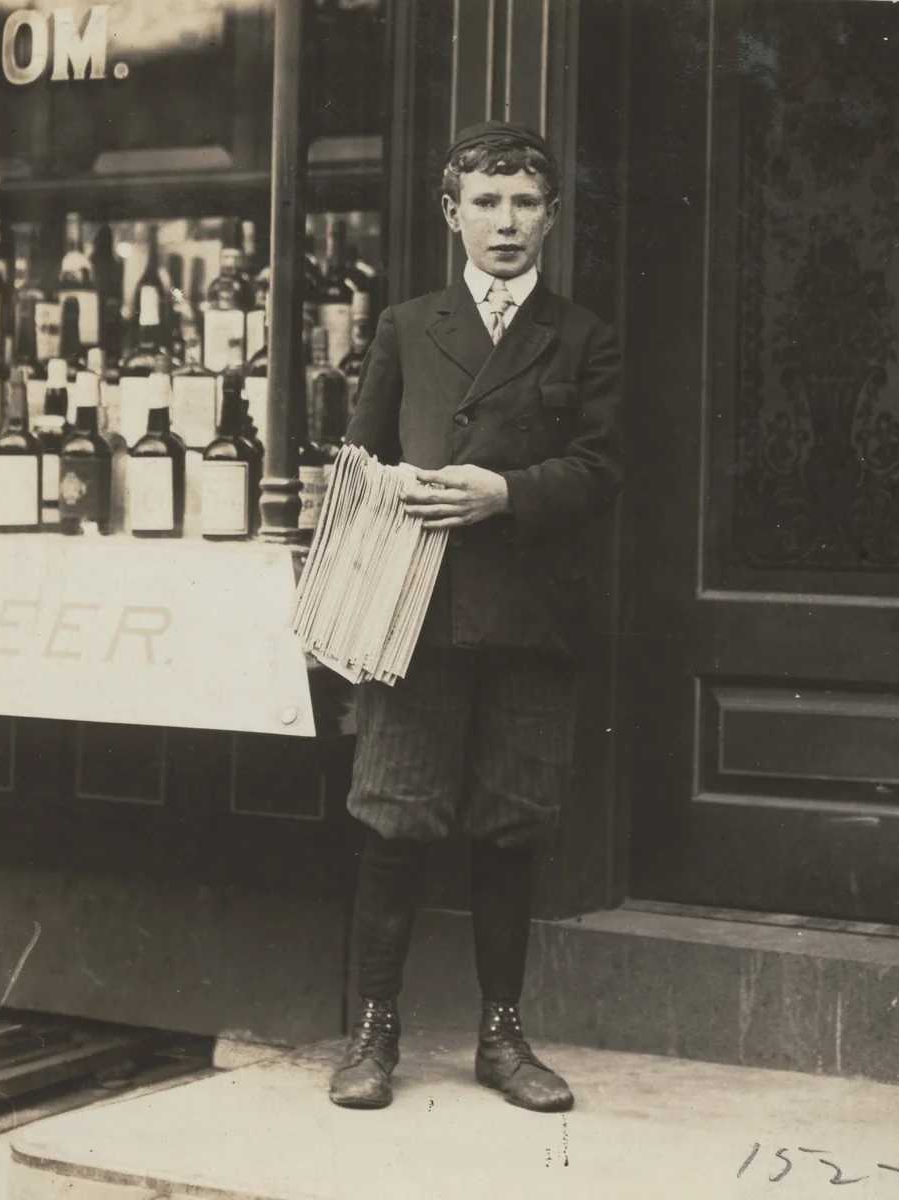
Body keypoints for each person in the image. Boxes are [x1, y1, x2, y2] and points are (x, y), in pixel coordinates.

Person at [328, 120, 622, 1113]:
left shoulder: (583, 336)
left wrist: (505, 493)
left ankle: (503, 1036)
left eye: (526, 202)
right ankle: (374, 1029)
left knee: (512, 827)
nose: (507, 223)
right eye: (487, 202)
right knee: (394, 821)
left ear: (552, 216)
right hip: (417, 618)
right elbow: (356, 466)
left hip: (533, 620)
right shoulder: (410, 326)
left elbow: (603, 469)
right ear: (452, 214)